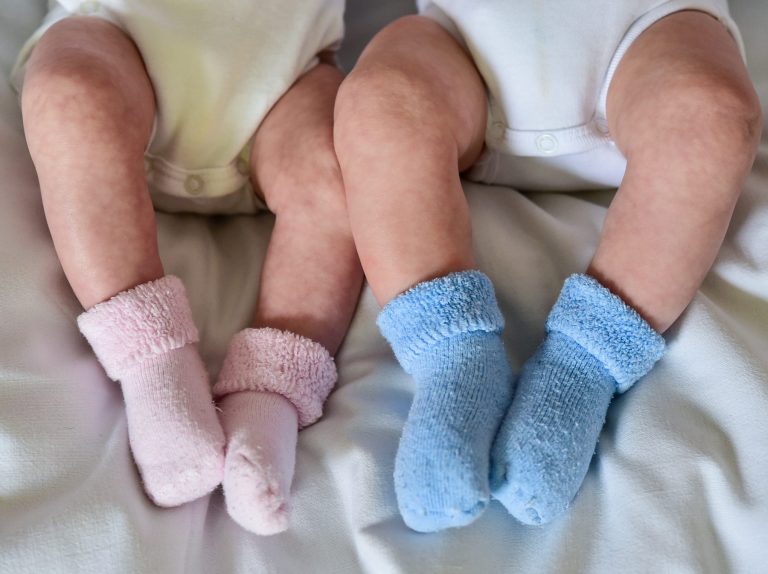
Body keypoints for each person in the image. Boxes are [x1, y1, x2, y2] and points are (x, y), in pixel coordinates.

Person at [333, 1, 762, 532]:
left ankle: (580, 368)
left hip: (648, 33)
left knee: (710, 113)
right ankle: (453, 355)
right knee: (379, 101)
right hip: (463, 45)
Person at [11, 0, 363, 536]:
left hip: (286, 76)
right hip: (117, 36)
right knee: (69, 94)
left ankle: (269, 399)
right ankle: (156, 365)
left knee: (345, 166)